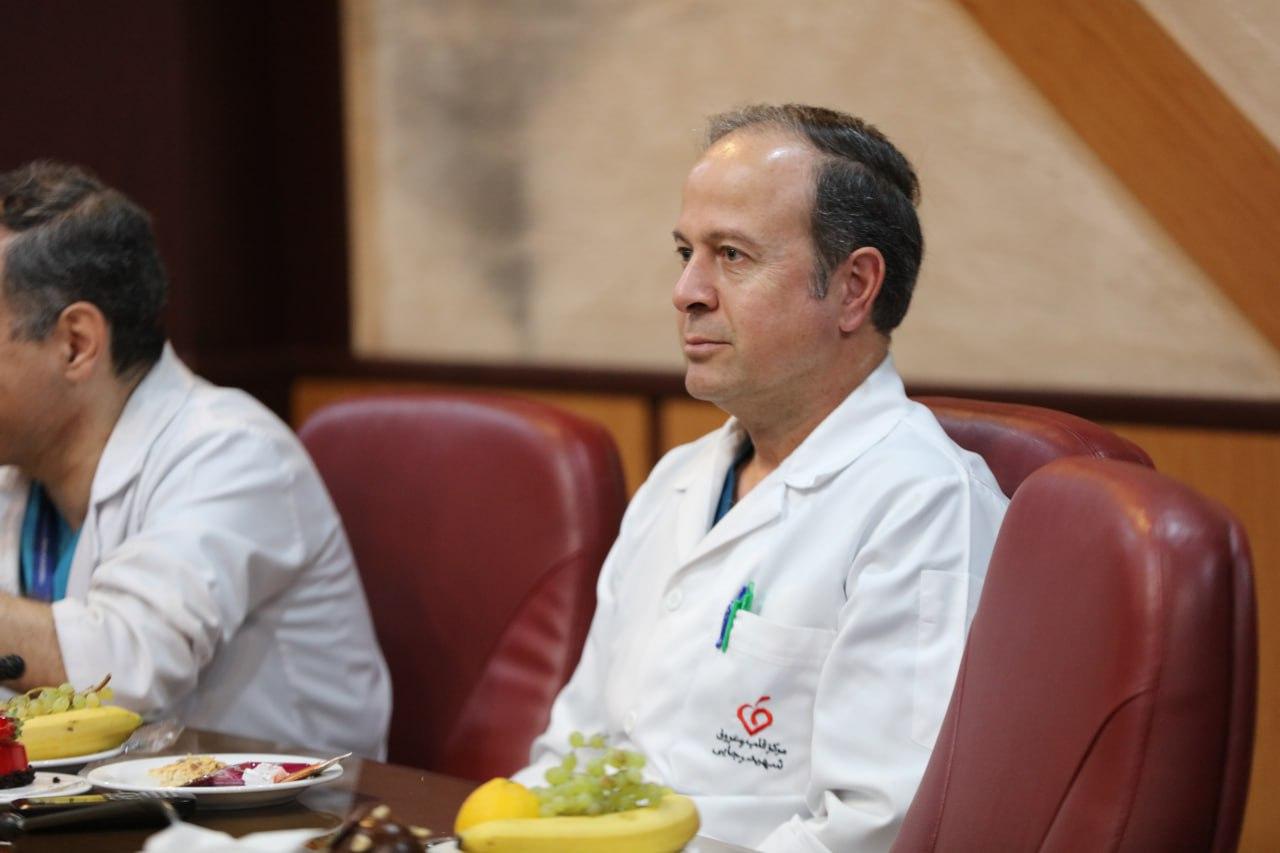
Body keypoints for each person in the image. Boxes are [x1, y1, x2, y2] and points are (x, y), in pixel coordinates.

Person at [515, 105, 1009, 850]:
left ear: (853, 287)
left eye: (732, 256)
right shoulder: (676, 482)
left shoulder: (926, 504)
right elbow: (574, 751)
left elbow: (877, 825)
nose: (687, 291)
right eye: (685, 252)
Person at [0, 161, 391, 758]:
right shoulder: (17, 463)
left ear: (76, 344)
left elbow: (124, 669)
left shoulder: (234, 452)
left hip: (294, 809)